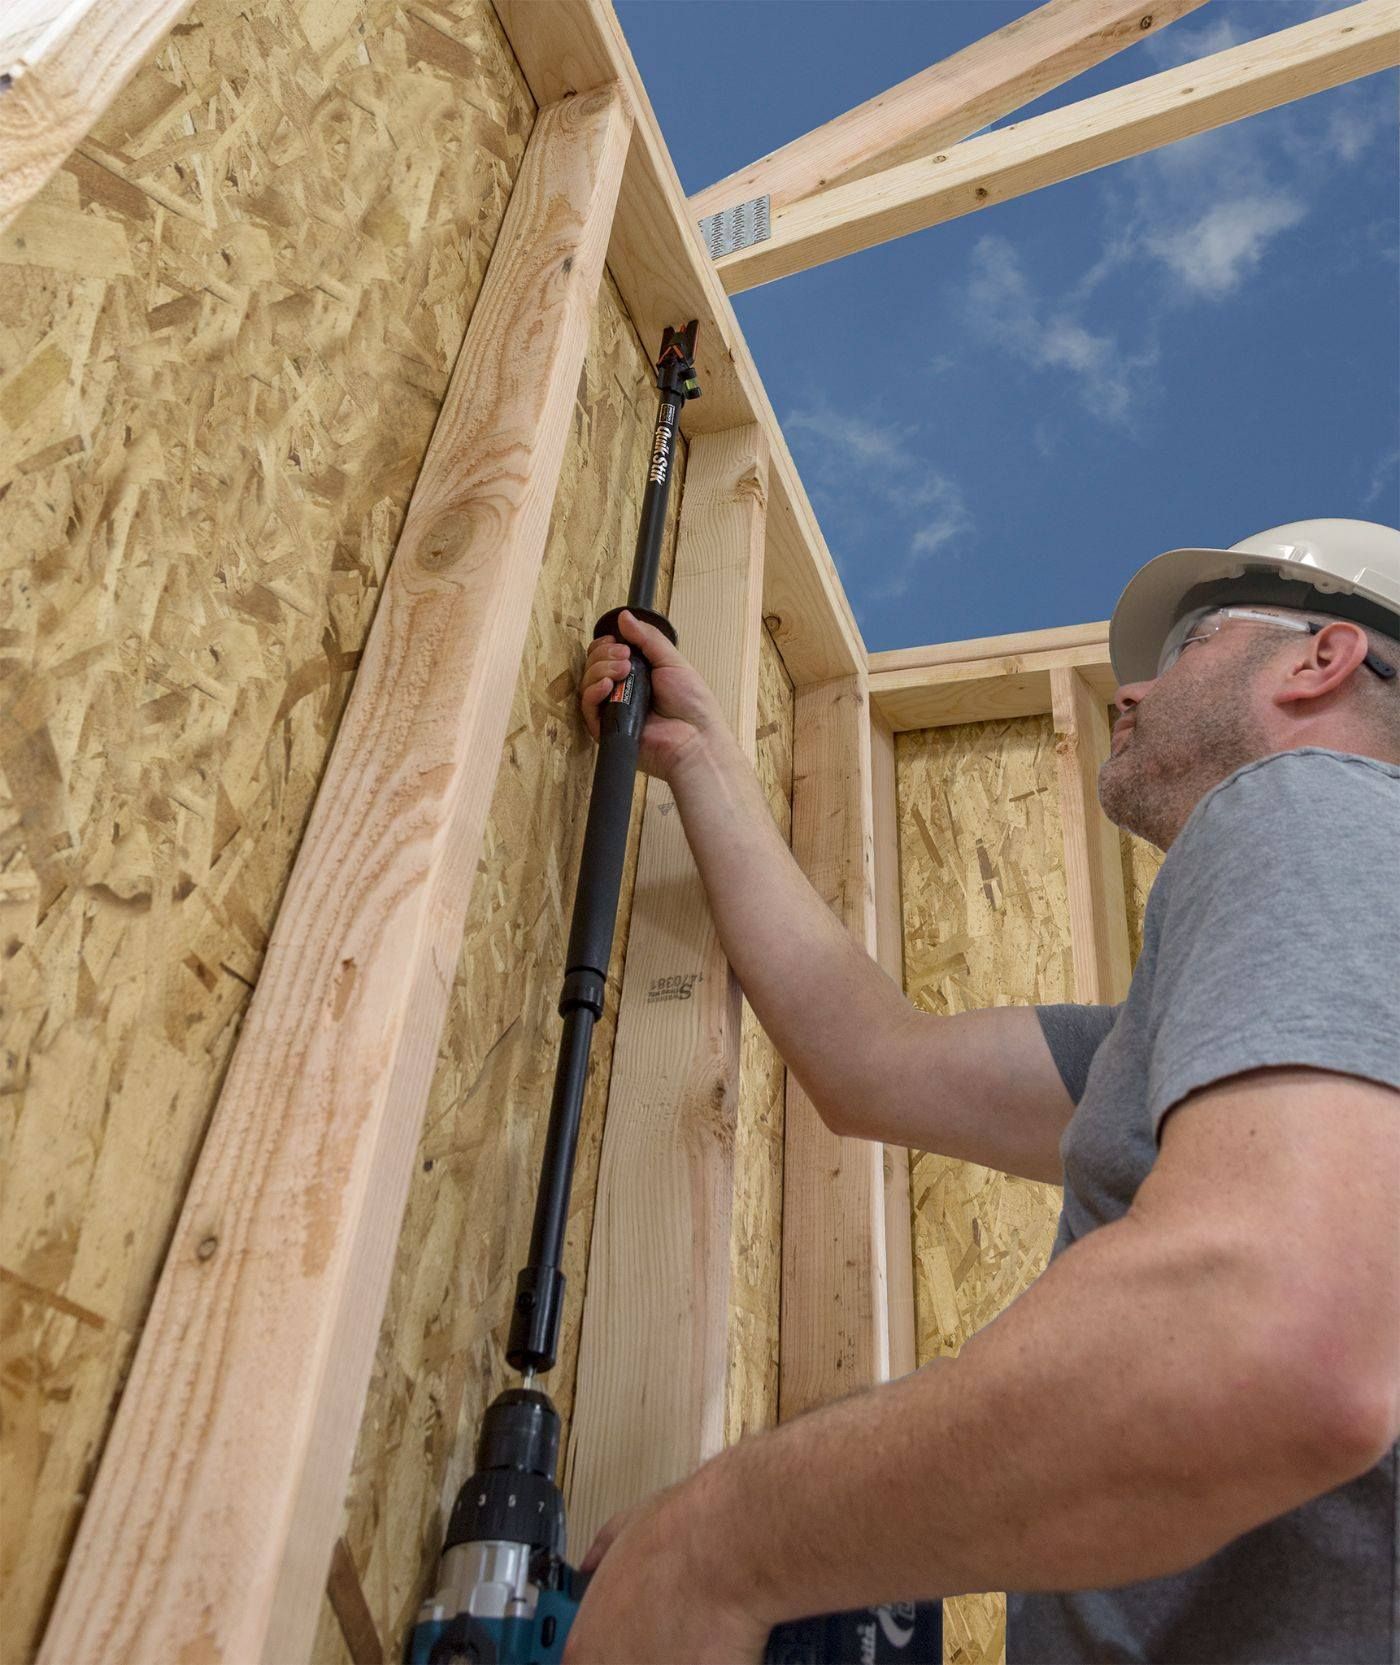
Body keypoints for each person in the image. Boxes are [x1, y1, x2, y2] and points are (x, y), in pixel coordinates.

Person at [562, 519, 1400, 1665]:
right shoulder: (1259, 1030)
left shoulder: (1323, 805)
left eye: (1193, 643)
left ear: (1320, 661)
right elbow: (873, 1063)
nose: (1135, 691)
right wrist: (702, 759)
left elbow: (1272, 1340)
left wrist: (712, 1545)